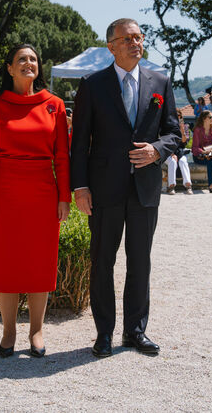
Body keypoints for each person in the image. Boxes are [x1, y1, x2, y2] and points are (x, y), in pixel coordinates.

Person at [71, 18, 180, 358]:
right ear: (112, 46)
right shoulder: (92, 84)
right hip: (104, 189)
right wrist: (80, 187)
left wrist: (156, 151)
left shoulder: (160, 82)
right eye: (128, 38)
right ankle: (104, 333)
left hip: (145, 189)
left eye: (139, 37)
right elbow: (80, 143)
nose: (136, 42)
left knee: (140, 262)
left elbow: (175, 133)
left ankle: (135, 331)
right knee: (103, 260)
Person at [0, 43, 70, 359]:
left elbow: (62, 156)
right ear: (9, 68)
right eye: (21, 59)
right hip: (4, 193)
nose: (28, 63)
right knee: (6, 262)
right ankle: (8, 331)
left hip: (44, 193)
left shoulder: (54, 105)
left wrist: (64, 197)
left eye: (33, 59)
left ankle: (36, 330)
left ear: (38, 67)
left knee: (38, 262)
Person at [192, 110, 212, 193]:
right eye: (210, 117)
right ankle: (211, 185)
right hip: (200, 155)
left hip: (211, 154)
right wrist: (203, 152)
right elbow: (194, 148)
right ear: (204, 118)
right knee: (210, 160)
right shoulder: (197, 130)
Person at [165, 109, 193, 195]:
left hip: (180, 151)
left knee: (183, 161)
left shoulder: (185, 127)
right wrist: (172, 154)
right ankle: (171, 186)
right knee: (172, 161)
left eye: (179, 116)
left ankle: (188, 185)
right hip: (168, 152)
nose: (177, 118)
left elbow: (184, 142)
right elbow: (164, 142)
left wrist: (182, 130)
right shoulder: (167, 127)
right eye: (175, 116)